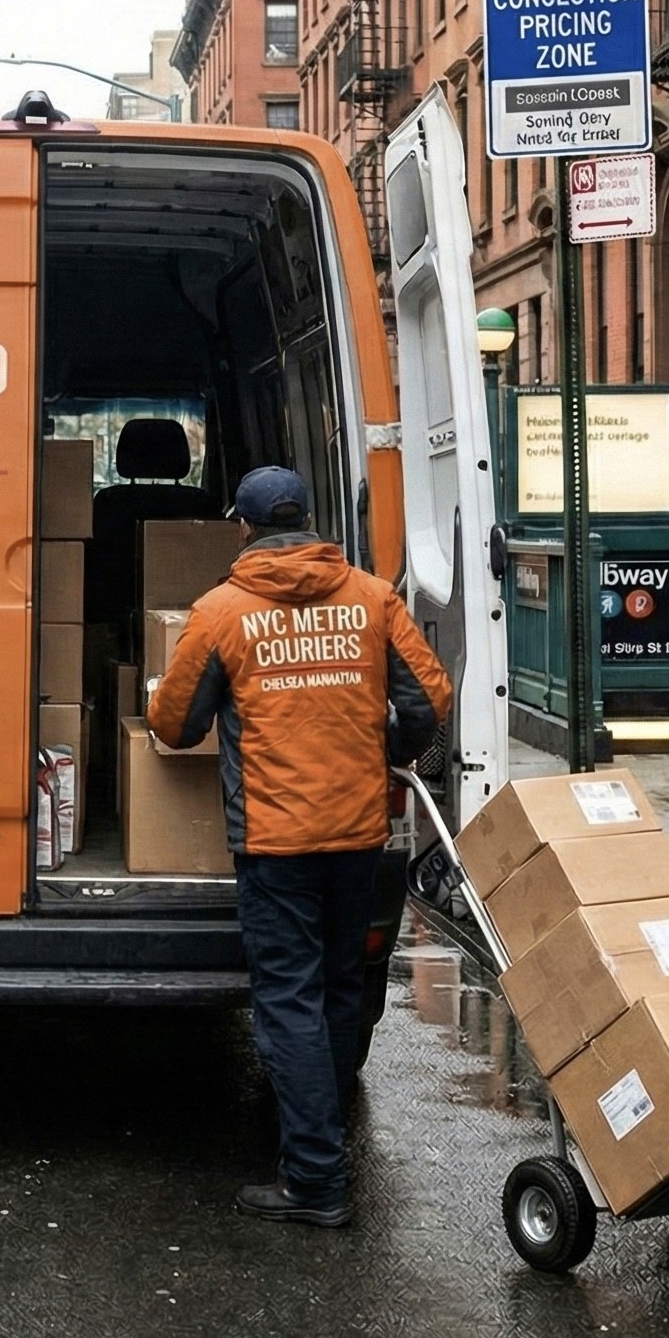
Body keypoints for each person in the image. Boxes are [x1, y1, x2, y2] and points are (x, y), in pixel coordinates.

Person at [149, 466, 451, 1228]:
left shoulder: (220, 613)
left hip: (275, 840)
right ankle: (327, 1140)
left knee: (286, 1001)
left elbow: (174, 722)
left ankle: (315, 1180)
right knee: (338, 988)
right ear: (309, 522)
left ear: (243, 530)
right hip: (355, 832)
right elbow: (428, 697)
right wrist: (393, 744)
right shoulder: (370, 596)